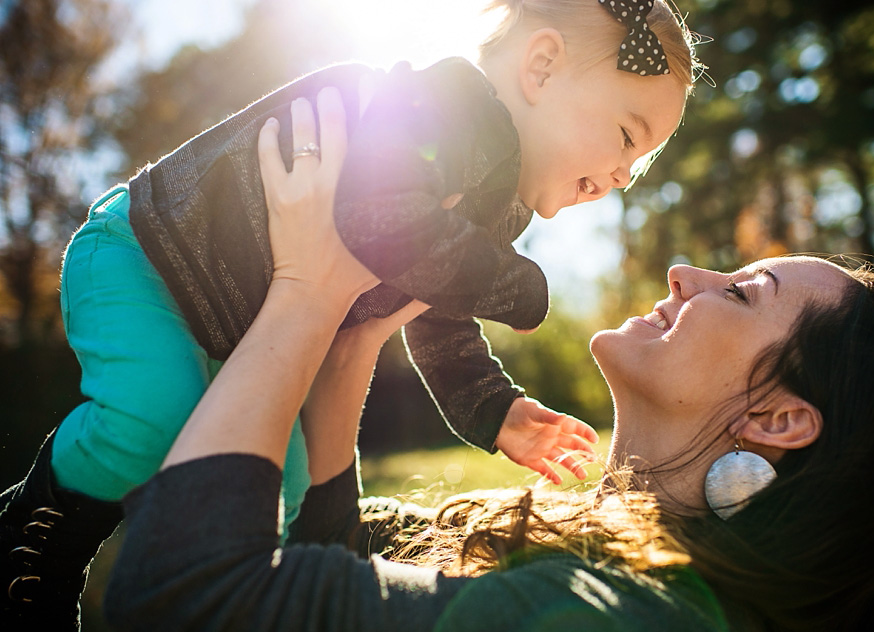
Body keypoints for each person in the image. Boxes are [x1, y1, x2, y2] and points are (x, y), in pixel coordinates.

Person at [103, 85, 874, 632]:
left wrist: (303, 290)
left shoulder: (619, 620)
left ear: (778, 419)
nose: (687, 273)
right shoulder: (624, 582)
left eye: (742, 291)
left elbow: (181, 597)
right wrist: (357, 337)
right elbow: (337, 567)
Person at [1, 0, 703, 627]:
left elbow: (438, 309)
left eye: (639, 167)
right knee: (152, 416)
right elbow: (382, 220)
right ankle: (35, 533)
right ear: (541, 67)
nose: (623, 174)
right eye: (625, 136)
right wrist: (517, 288)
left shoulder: (496, 200)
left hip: (236, 323)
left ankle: (284, 600)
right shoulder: (446, 104)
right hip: (149, 255)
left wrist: (491, 406)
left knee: (289, 487)